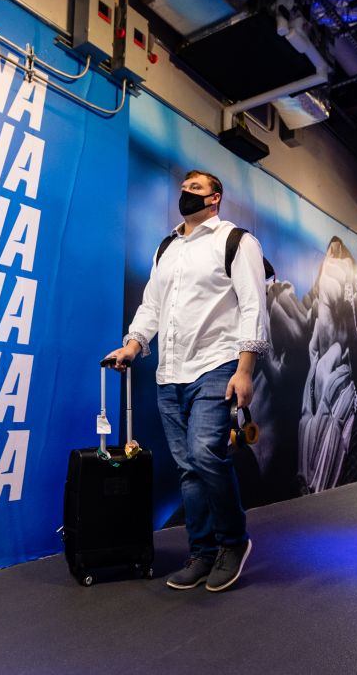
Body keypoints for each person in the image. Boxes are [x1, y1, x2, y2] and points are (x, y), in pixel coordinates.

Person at [104, 169, 269, 593]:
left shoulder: (236, 241)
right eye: (184, 188)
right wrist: (133, 345)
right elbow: (152, 305)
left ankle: (233, 542)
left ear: (215, 198)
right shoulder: (167, 247)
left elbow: (253, 305)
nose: (186, 193)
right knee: (188, 469)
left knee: (205, 453)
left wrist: (245, 369)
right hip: (170, 372)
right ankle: (202, 552)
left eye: (195, 188)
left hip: (217, 364)